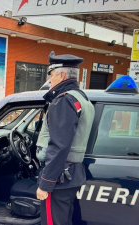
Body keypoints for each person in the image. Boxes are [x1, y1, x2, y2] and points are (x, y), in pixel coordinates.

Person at [36, 51, 95, 225]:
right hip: (71, 174)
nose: (49, 80)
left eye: (51, 75)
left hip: (58, 178)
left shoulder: (64, 100)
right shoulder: (82, 99)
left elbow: (59, 146)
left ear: (61, 74)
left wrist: (45, 184)